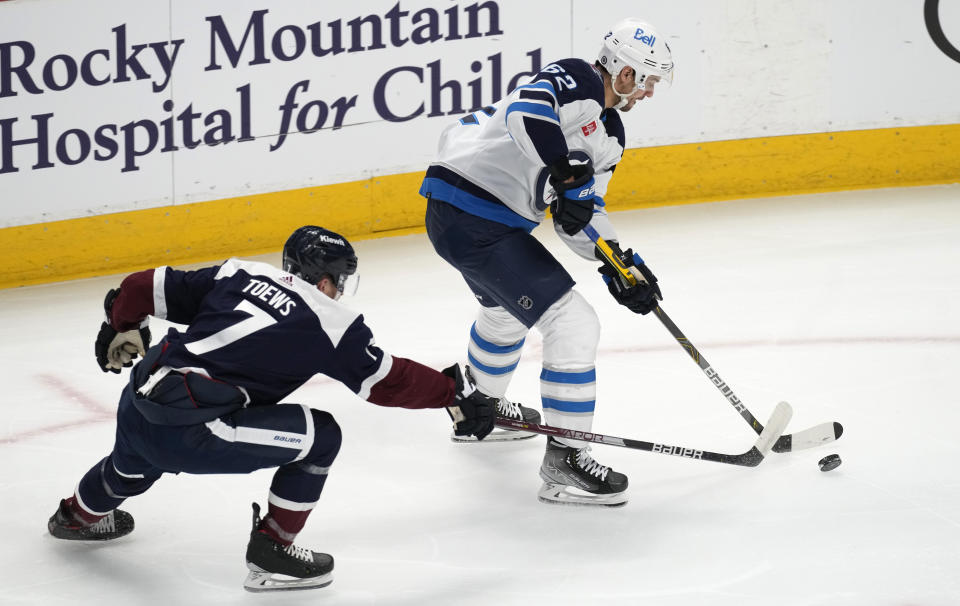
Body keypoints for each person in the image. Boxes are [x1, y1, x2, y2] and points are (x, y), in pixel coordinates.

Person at [46, 225, 497, 592]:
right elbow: (386, 381)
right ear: (325, 280)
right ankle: (274, 550)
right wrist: (451, 392)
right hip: (196, 428)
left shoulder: (241, 273)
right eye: (340, 280)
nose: (339, 291)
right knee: (321, 437)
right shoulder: (329, 321)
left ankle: (77, 516)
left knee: (132, 460)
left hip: (139, 396)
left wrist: (120, 324)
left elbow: (143, 286)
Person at [420, 18, 674, 507]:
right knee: (574, 322)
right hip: (474, 213)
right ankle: (567, 458)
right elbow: (526, 112)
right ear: (624, 72)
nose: (649, 91)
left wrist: (620, 265)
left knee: (504, 312)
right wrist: (561, 167)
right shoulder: (577, 78)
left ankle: (481, 409)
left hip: (467, 217)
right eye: (648, 79)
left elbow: (580, 213)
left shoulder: (610, 136)